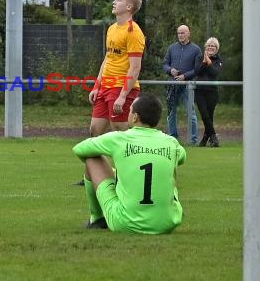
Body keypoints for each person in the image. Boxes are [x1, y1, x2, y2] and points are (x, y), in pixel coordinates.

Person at [72, 93, 186, 234]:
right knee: (170, 167)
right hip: (167, 223)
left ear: (135, 117)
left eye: (130, 109)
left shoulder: (119, 139)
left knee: (92, 158)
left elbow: (79, 149)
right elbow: (181, 157)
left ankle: (96, 219)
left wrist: (116, 174)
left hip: (125, 222)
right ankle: (163, 212)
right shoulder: (171, 142)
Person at [75, 0, 145, 186]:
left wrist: (123, 96)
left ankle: (129, 176)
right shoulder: (113, 28)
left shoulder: (134, 32)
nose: (115, 2)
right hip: (106, 87)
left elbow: (135, 67)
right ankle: (89, 176)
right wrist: (97, 85)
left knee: (121, 133)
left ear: (129, 7)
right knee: (94, 131)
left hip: (121, 88)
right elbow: (108, 58)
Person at [162, 25, 202, 144]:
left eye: (183, 33)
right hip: (172, 85)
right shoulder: (172, 48)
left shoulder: (196, 49)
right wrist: (170, 70)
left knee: (190, 112)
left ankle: (193, 140)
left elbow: (197, 69)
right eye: (179, 33)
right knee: (171, 112)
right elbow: (164, 64)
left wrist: (185, 76)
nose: (180, 35)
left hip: (187, 86)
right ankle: (173, 138)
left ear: (189, 33)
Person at [195, 37, 224, 147]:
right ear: (205, 47)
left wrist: (209, 63)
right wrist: (203, 62)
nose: (210, 47)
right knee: (204, 115)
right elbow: (197, 71)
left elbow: (215, 73)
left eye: (213, 46)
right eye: (209, 45)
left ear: (216, 49)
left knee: (209, 116)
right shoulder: (199, 57)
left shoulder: (219, 60)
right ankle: (214, 137)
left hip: (212, 92)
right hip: (200, 91)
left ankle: (204, 140)